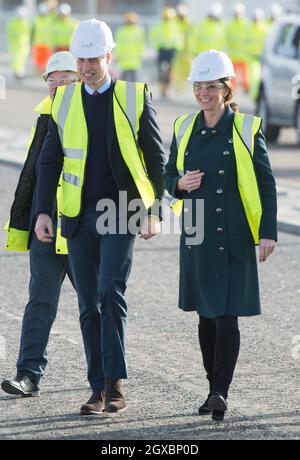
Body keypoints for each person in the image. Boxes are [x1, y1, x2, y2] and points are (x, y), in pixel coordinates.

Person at [34, 19, 165, 415]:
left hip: (121, 211)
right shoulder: (65, 100)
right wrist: (43, 211)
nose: (88, 67)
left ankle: (115, 384)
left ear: (108, 57)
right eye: (82, 60)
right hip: (77, 215)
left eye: (94, 59)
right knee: (89, 303)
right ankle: (97, 389)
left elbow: (156, 158)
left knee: (111, 292)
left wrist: (155, 211)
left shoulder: (134, 95)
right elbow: (49, 160)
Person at [164, 49, 277, 421]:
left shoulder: (246, 128)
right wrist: (178, 183)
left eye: (212, 86)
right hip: (197, 233)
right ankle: (212, 387)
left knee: (227, 317)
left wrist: (267, 231)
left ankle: (219, 392)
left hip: (235, 234)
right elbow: (167, 175)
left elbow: (266, 182)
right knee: (206, 317)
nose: (204, 93)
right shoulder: (183, 126)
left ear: (228, 88)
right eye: (199, 86)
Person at [1, 52, 79, 397]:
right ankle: (28, 375)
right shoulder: (45, 118)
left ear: (79, 82)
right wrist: (32, 219)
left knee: (100, 305)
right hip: (47, 230)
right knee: (40, 302)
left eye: (67, 79)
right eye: (53, 79)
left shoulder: (93, 119)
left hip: (84, 232)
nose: (58, 85)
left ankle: (108, 382)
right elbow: (33, 177)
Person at [150, 7, 182, 98]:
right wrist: (156, 47)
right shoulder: (159, 26)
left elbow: (179, 39)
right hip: (161, 50)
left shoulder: (176, 26)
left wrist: (177, 49)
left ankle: (167, 90)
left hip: (172, 51)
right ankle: (162, 90)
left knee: (170, 71)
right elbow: (153, 37)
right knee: (160, 71)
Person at [115, 12, 145, 82]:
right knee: (123, 81)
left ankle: (132, 93)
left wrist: (141, 55)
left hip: (135, 61)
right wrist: (118, 55)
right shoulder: (121, 31)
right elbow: (118, 45)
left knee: (134, 81)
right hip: (124, 61)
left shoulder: (139, 31)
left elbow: (141, 45)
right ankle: (122, 93)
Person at [5, 6, 31, 79]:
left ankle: (20, 71)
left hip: (24, 45)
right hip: (15, 45)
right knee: (17, 59)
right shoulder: (12, 23)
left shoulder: (26, 22)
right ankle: (17, 71)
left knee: (22, 58)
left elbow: (27, 33)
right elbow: (10, 34)